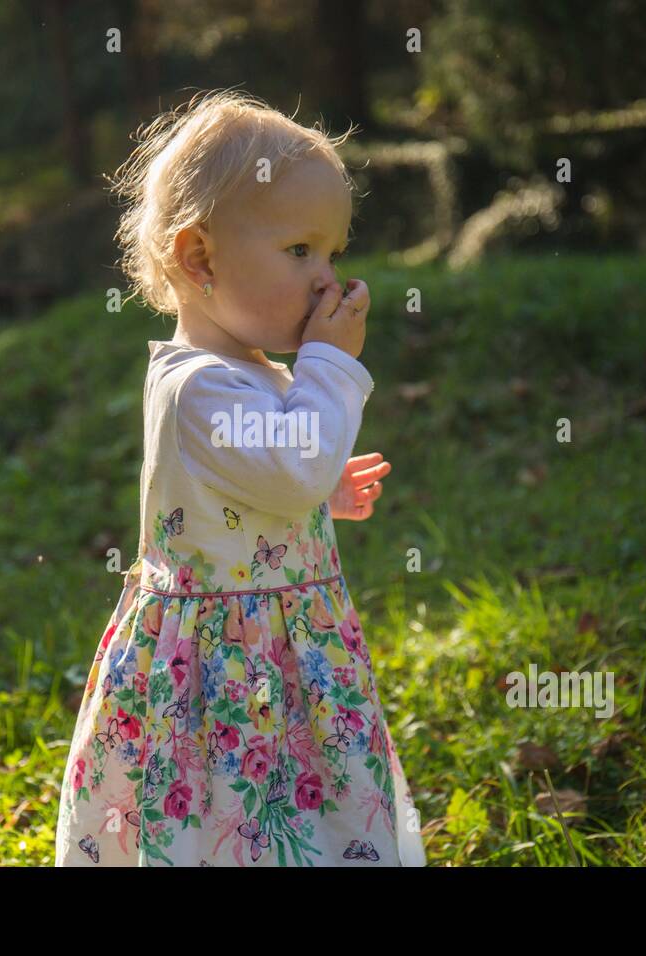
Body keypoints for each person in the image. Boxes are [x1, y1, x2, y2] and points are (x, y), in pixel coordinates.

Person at [54, 89, 426, 866]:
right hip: (230, 672)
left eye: (333, 254)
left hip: (274, 655)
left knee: (295, 814)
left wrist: (317, 492)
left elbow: (265, 480)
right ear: (199, 258)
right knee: (236, 817)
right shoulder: (202, 387)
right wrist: (330, 367)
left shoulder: (242, 373)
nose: (329, 282)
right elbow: (286, 467)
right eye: (300, 253)